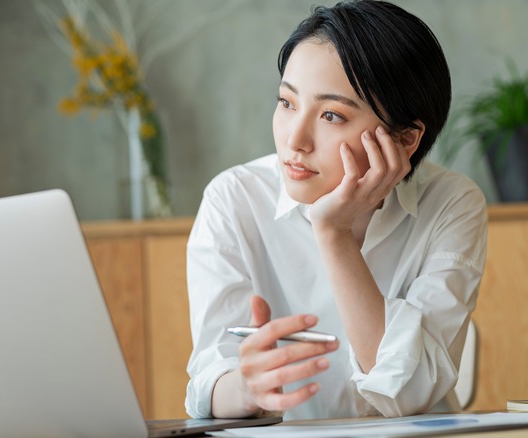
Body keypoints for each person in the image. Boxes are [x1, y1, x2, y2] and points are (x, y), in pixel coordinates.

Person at [185, 0, 487, 420]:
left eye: (330, 115)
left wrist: (333, 233)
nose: (295, 139)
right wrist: (246, 386)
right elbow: (207, 386)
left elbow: (407, 394)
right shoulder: (233, 199)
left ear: (404, 140)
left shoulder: (451, 204)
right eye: (287, 102)